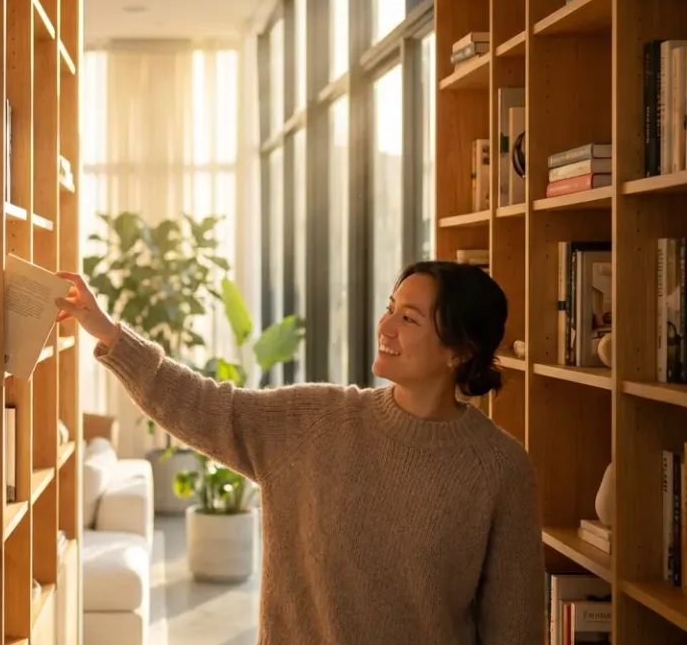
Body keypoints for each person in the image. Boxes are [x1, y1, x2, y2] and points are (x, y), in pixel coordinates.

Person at [54, 260, 543, 645]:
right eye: (390, 307)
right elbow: (204, 405)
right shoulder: (317, 421)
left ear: (460, 350)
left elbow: (515, 629)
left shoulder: (498, 468)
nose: (386, 325)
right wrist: (108, 334)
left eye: (409, 318)